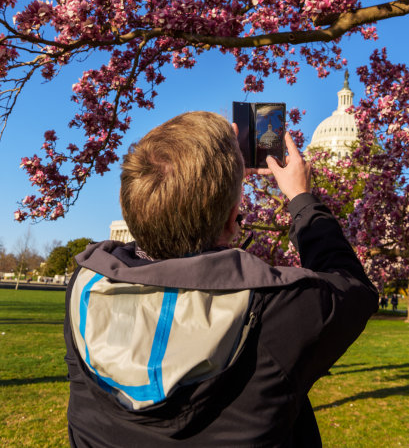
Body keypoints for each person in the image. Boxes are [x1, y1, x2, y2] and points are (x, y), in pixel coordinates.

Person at [64, 111, 378, 447]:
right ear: (233, 220)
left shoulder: (85, 286)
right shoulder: (278, 309)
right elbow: (353, 287)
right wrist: (301, 199)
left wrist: (195, 164)